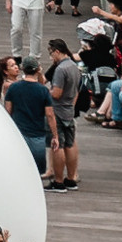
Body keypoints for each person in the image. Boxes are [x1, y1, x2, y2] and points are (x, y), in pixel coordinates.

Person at [2, 60, 55, 173]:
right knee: (37, 171)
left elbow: (8, 112)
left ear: (23, 69)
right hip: (38, 136)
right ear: (37, 69)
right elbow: (50, 115)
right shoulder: (43, 91)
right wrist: (55, 135)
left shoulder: (13, 88)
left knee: (18, 168)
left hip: (19, 134)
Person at [45, 40, 83, 190]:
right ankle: (71, 178)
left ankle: (59, 181)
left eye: (51, 53)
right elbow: (77, 91)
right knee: (70, 143)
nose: (51, 57)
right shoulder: (74, 66)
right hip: (69, 110)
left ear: (57, 51)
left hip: (58, 111)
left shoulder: (61, 69)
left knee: (57, 144)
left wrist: (45, 92)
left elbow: (57, 93)